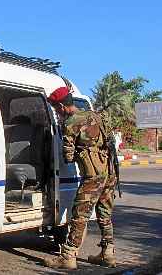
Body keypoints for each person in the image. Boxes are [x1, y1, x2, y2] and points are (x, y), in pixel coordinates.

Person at [44, 86, 117, 270]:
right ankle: (108, 254)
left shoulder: (71, 123)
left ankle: (68, 256)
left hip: (92, 176)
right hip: (109, 172)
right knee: (105, 214)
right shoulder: (96, 116)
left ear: (61, 106)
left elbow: (67, 157)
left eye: (56, 109)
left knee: (80, 215)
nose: (56, 112)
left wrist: (77, 150)